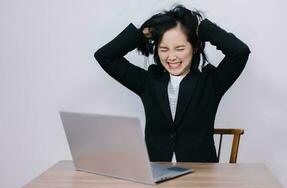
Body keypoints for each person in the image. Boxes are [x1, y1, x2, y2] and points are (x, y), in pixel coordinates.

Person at [94, 4, 251, 162]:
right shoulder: (148, 81)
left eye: (179, 48)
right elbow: (105, 56)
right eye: (164, 49)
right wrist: (142, 33)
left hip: (201, 175)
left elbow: (240, 52)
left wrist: (201, 28)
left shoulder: (210, 82)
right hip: (156, 172)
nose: (171, 56)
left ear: (194, 47)